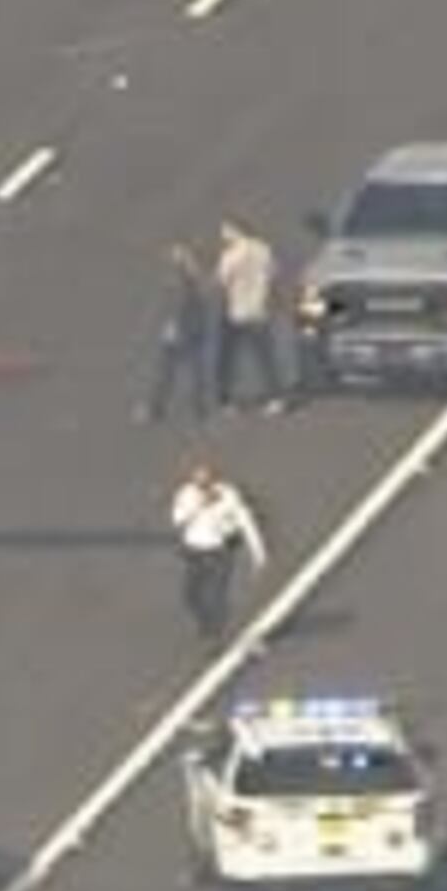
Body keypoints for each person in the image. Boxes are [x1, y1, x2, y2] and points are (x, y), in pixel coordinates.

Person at [167, 462, 268, 644]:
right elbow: (177, 520)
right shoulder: (186, 494)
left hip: (219, 551)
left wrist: (258, 553)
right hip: (194, 551)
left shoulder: (229, 496)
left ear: (214, 480)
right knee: (191, 595)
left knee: (217, 594)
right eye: (199, 483)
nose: (203, 487)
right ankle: (207, 623)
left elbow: (246, 522)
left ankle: (217, 632)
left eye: (207, 482)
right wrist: (198, 506)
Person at [212, 218, 285, 411]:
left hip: (236, 312)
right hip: (259, 310)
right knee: (265, 357)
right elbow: (274, 275)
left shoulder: (231, 255)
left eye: (225, 230)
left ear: (235, 230)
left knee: (227, 357)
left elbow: (221, 281)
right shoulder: (264, 250)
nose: (222, 235)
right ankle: (276, 398)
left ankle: (225, 399)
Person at [142, 242, 218, 424]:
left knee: (166, 372)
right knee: (196, 372)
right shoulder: (199, 283)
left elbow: (176, 309)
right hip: (196, 332)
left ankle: (155, 408)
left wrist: (172, 329)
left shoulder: (178, 284)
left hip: (180, 334)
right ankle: (199, 409)